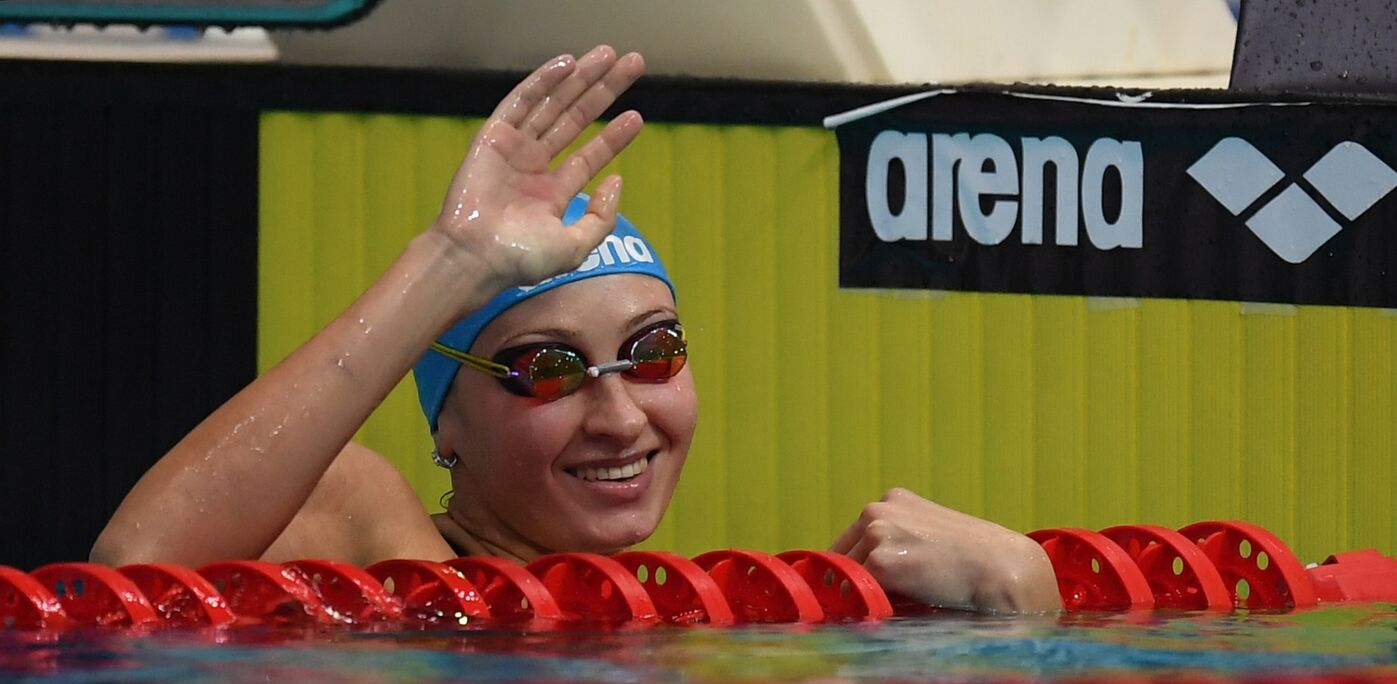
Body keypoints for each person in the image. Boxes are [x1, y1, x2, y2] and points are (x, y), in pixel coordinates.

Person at [91, 45, 1061, 614]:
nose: (616, 415)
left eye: (651, 354)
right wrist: (452, 263)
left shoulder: (661, 618)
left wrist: (1025, 605)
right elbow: (125, 583)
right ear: (447, 426)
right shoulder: (378, 540)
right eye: (546, 369)